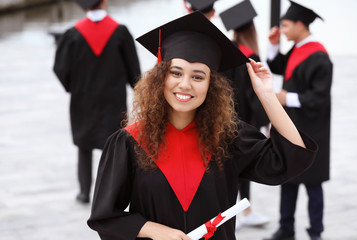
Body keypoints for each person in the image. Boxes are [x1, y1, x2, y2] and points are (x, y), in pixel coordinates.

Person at [87, 12, 317, 240]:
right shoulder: (129, 142)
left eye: (198, 77)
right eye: (175, 73)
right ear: (160, 78)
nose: (185, 84)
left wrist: (267, 96)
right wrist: (155, 231)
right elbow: (105, 218)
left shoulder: (229, 137)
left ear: (211, 85)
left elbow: (290, 160)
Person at [53, 0, 141, 204]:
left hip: (82, 101)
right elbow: (134, 71)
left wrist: (72, 86)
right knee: (111, 148)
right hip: (113, 101)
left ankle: (84, 193)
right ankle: (109, 196)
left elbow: (60, 69)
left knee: (84, 147)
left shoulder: (72, 34)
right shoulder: (120, 32)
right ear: (104, 1)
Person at [263, 1, 332, 240]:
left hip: (314, 129)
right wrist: (273, 46)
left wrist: (286, 97)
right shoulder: (297, 48)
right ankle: (286, 229)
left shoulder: (320, 56)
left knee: (313, 185)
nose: (281, 30)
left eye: (285, 25)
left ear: (300, 25)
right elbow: (281, 67)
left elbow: (320, 97)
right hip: (293, 126)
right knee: (288, 180)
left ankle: (316, 233)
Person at [219, 0, 270, 229]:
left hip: (222, 118)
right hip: (245, 121)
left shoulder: (225, 52)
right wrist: (267, 122)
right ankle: (245, 212)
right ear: (252, 29)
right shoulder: (251, 56)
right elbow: (255, 95)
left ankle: (228, 212)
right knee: (244, 168)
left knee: (225, 166)